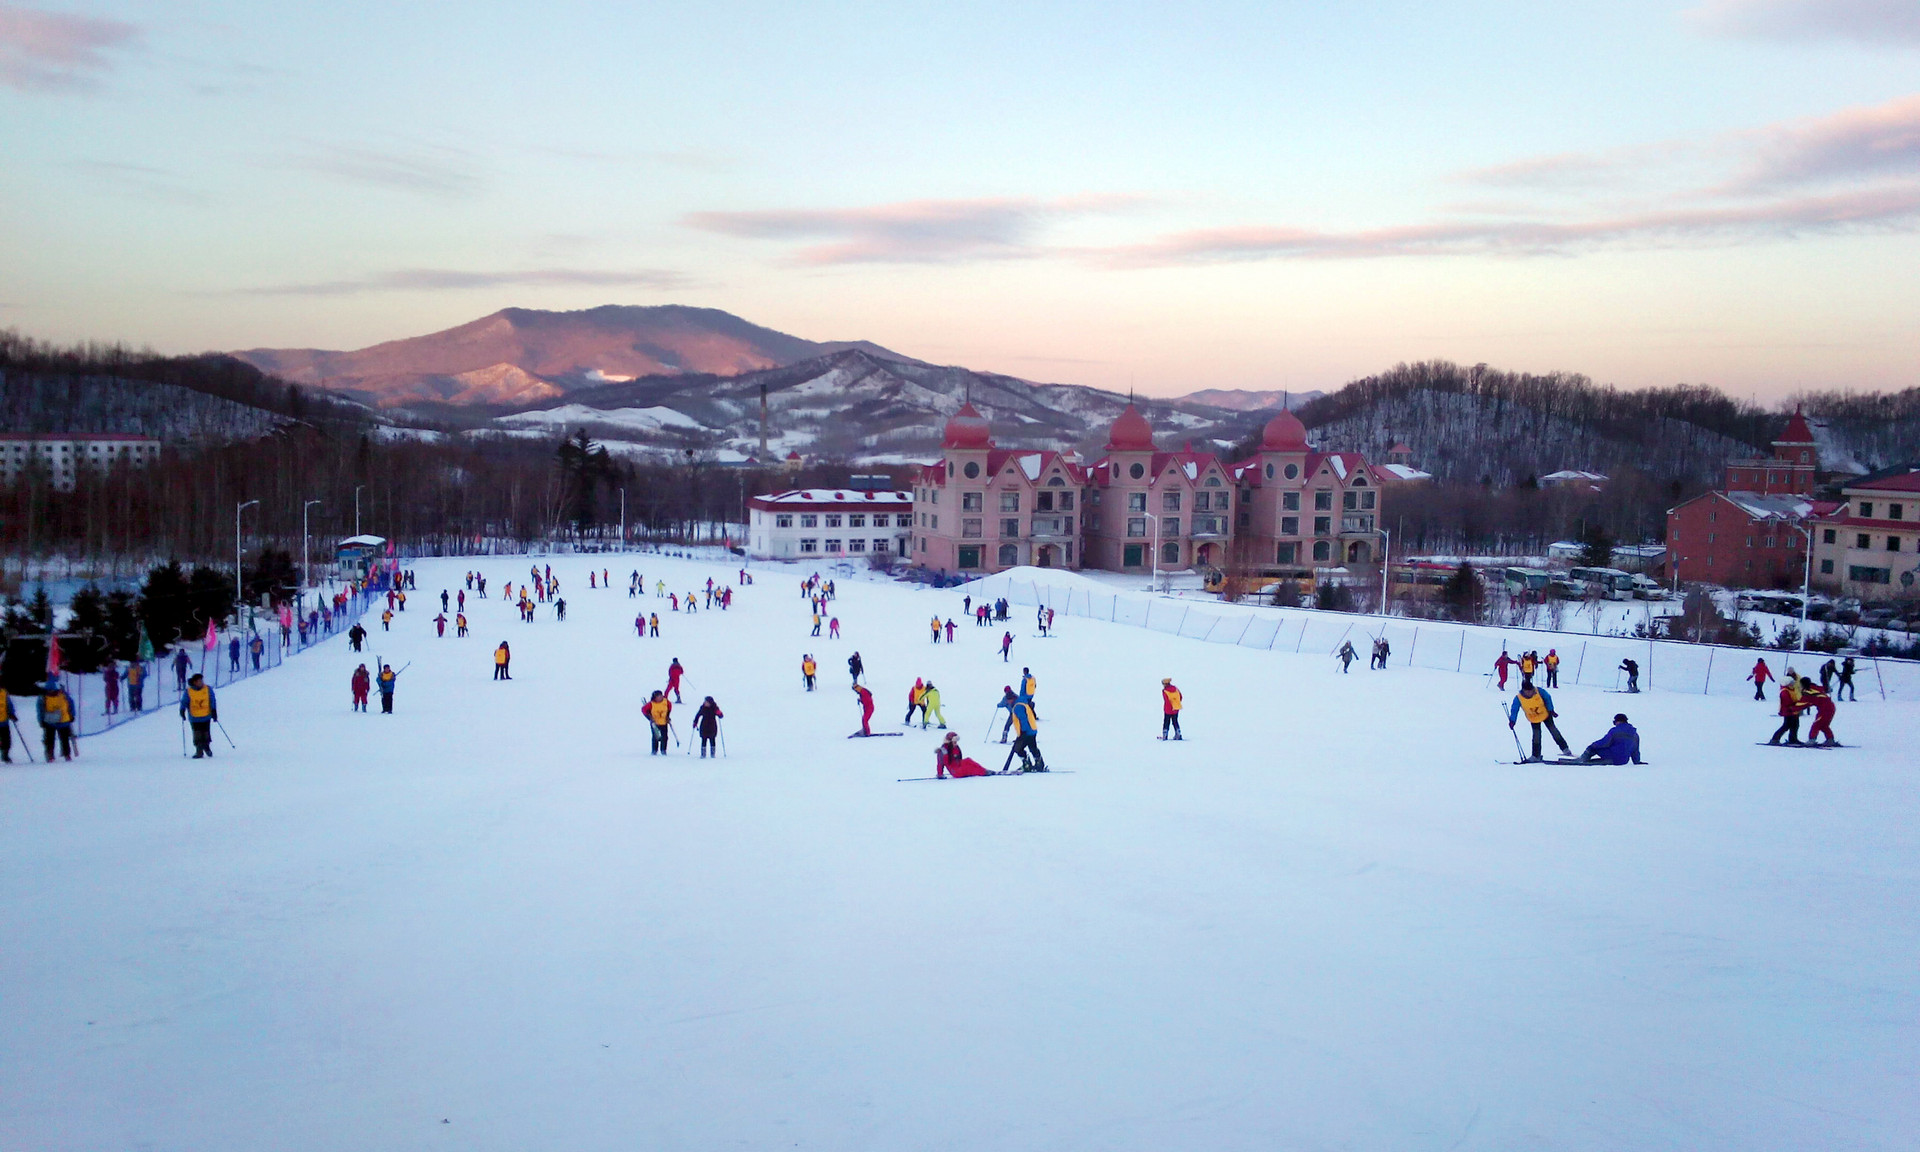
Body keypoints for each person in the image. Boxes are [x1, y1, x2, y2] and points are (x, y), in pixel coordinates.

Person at [1507, 682, 1572, 762]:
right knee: (1536, 736)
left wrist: (1551, 710)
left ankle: (1565, 748)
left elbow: (1548, 698)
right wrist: (1512, 720)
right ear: (1523, 690)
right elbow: (1514, 709)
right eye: (1527, 691)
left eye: (1530, 690)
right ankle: (1536, 755)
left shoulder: (1539, 691)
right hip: (1533, 718)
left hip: (1545, 714)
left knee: (1554, 731)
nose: (1529, 693)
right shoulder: (1518, 698)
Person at [1000, 691, 1046, 773]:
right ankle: (1039, 764)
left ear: (1012, 699)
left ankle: (1027, 764)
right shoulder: (1021, 702)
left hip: (1026, 731)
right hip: (1032, 729)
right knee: (1032, 747)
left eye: (1008, 700)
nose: (1007, 702)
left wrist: (1022, 733)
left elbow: (1023, 720)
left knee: (1018, 748)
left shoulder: (1018, 706)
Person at [1576, 713, 1643, 764]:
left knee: (1593, 748)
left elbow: (1604, 742)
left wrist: (1592, 746)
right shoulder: (1635, 735)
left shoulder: (1615, 731)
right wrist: (1637, 762)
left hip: (1613, 757)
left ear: (1617, 721)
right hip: (1623, 761)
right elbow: (1635, 751)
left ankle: (1582, 759)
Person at [178, 673, 214, 759]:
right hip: (194, 717)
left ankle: (206, 746)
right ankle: (199, 750)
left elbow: (212, 699)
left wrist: (214, 710)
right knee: (197, 733)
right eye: (199, 681)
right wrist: (182, 710)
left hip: (206, 715)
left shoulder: (207, 689)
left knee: (206, 733)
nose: (201, 682)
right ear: (194, 682)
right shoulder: (189, 691)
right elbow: (184, 701)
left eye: (202, 680)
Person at [1768, 676, 1805, 745]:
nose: (1793, 683)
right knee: (1786, 726)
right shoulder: (1784, 691)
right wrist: (1796, 704)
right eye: (1791, 682)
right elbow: (1787, 702)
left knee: (1795, 725)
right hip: (1788, 711)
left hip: (1794, 710)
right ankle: (1775, 739)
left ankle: (1793, 739)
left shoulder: (1792, 689)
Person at [1802, 678, 1838, 745]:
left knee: (1816, 724)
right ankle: (1830, 739)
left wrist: (1791, 708)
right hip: (1830, 707)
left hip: (1825, 709)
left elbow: (1803, 703)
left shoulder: (1808, 692)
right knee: (1824, 725)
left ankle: (1812, 740)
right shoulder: (1816, 688)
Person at [646, 690, 673, 755]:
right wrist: (650, 718)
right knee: (656, 737)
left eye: (661, 696)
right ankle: (654, 750)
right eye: (658, 696)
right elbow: (644, 710)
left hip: (664, 722)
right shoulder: (651, 704)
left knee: (665, 737)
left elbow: (669, 707)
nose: (660, 698)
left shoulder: (666, 702)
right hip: (655, 723)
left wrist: (668, 716)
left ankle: (663, 750)